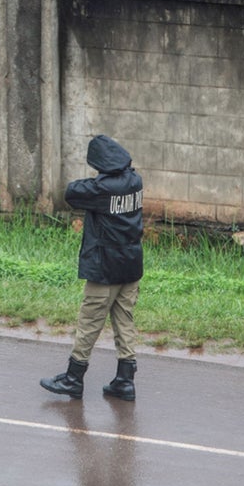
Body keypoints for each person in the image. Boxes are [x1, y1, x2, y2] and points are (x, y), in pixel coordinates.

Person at [41, 135, 144, 401]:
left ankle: (73, 378)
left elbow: (72, 191)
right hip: (130, 266)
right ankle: (125, 380)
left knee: (89, 322)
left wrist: (96, 178)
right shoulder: (135, 181)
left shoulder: (102, 188)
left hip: (105, 268)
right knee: (124, 322)